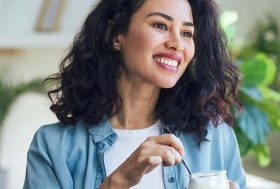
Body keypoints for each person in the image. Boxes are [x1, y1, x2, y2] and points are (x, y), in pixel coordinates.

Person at [24, 0, 246, 188]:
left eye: (187, 33)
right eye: (160, 25)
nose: (177, 44)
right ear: (116, 35)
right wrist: (118, 181)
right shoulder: (54, 147)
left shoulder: (215, 138)